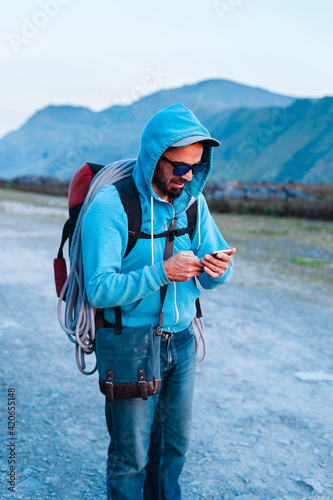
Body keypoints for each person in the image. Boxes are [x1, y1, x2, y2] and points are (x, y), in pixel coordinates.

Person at [81, 102, 235, 499]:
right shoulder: (111, 207)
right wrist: (162, 272)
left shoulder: (194, 204)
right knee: (131, 458)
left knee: (173, 449)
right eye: (178, 167)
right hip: (129, 341)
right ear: (153, 157)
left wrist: (219, 271)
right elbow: (98, 289)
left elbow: (218, 269)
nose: (187, 176)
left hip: (180, 341)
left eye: (197, 167)